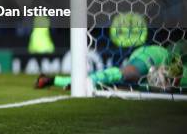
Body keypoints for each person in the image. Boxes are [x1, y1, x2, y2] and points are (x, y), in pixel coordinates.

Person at [35, 43, 187, 90]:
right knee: (129, 73)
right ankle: (87, 81)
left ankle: (54, 80)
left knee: (120, 87)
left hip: (158, 68)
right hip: (155, 55)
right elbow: (177, 48)